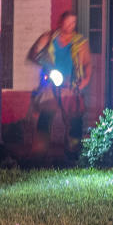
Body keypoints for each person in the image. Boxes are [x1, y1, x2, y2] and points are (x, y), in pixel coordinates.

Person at [27, 10, 92, 158]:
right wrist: (42, 61)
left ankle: (73, 152)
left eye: (73, 22)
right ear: (60, 22)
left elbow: (87, 63)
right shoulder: (48, 38)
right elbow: (34, 53)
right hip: (51, 82)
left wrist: (85, 80)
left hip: (71, 84)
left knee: (75, 119)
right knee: (45, 116)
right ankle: (39, 152)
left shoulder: (80, 42)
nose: (71, 25)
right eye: (68, 21)